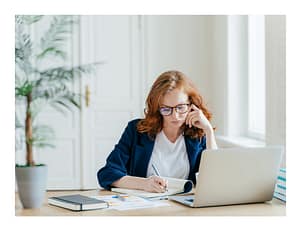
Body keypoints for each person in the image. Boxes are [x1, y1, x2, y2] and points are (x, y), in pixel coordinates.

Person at [97, 70, 217, 193]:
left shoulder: (198, 133)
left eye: (180, 107)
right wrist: (144, 184)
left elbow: (216, 178)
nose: (175, 116)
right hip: (146, 207)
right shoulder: (136, 131)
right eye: (166, 109)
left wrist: (208, 131)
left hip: (184, 205)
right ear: (157, 108)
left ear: (191, 105)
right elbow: (107, 174)